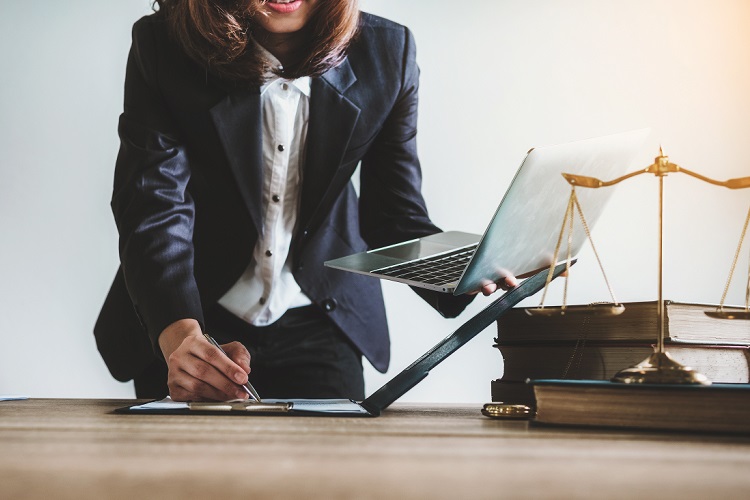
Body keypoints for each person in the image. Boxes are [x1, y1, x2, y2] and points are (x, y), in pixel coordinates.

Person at [94, 0, 515, 402]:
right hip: (190, 316)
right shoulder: (163, 45)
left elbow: (393, 214)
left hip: (322, 321)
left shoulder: (388, 53)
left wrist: (467, 265)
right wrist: (180, 336)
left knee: (333, 477)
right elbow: (154, 208)